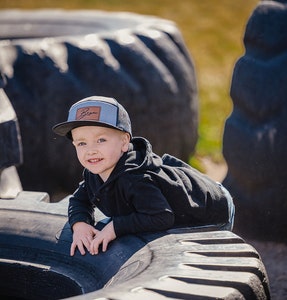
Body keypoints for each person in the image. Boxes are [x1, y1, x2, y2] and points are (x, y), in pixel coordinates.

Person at [52, 96, 234, 256]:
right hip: (173, 199)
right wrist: (80, 224)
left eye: (101, 140)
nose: (91, 150)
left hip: (210, 209)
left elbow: (161, 217)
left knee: (178, 252)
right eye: (82, 143)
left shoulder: (136, 179)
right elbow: (78, 200)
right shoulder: (94, 174)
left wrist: (115, 227)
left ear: (124, 142)